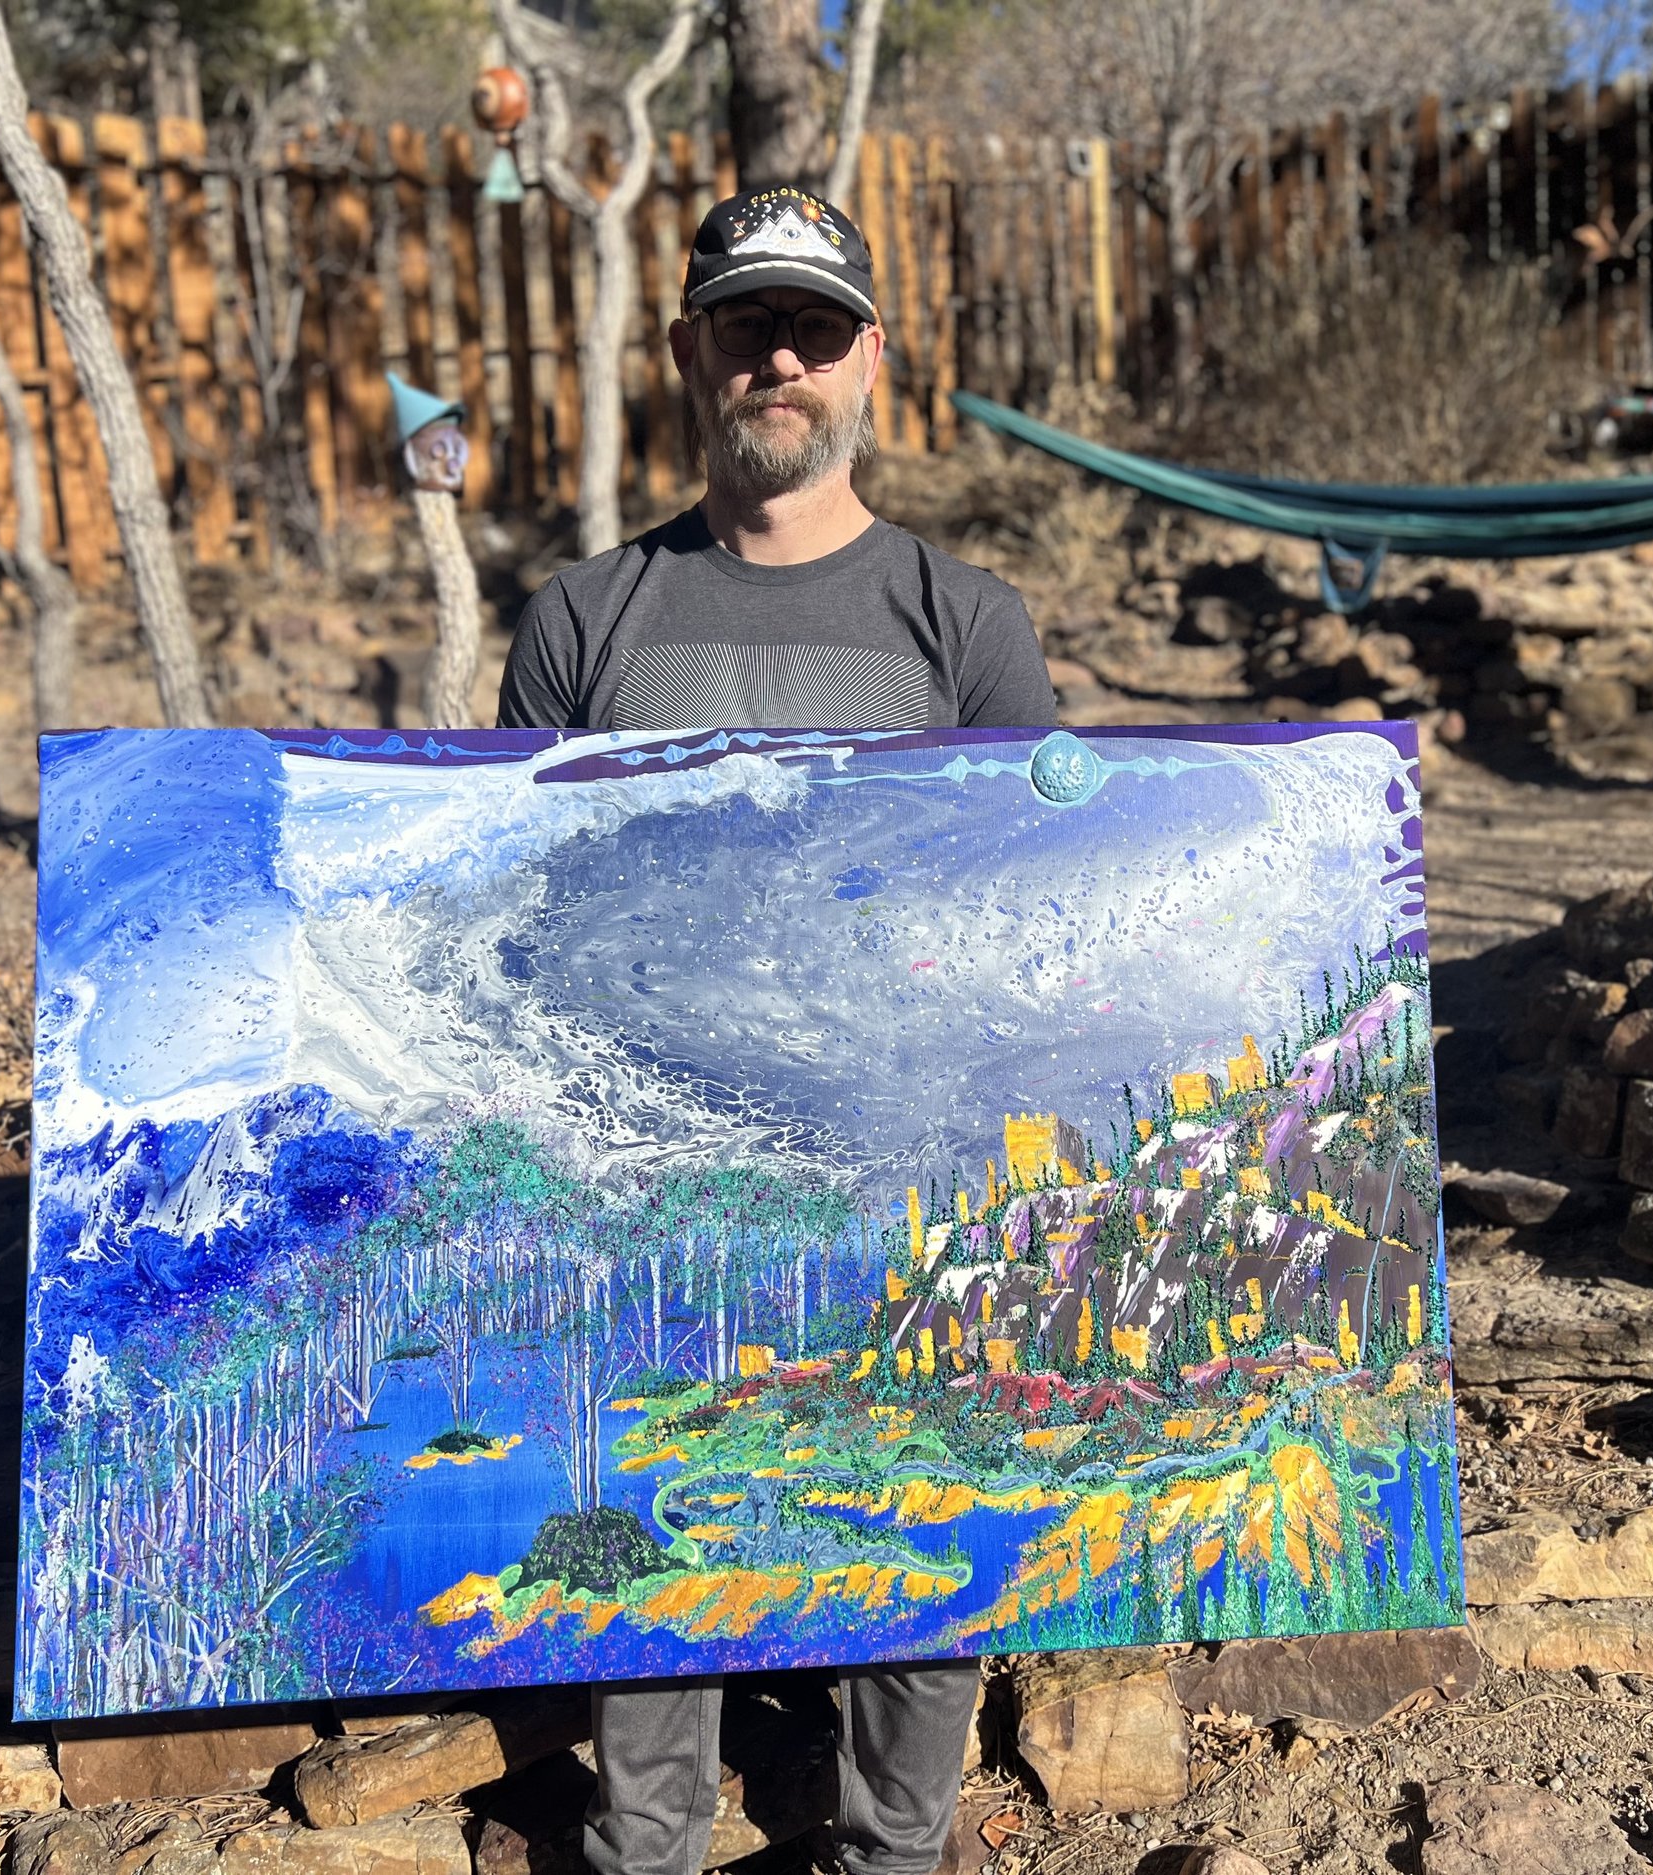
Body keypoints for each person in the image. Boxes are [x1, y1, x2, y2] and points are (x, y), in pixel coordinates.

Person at [496, 184, 1056, 1875]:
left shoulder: (966, 622)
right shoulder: (584, 618)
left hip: (904, 1164)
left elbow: (1021, 912)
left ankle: (892, 1850)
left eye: (814, 328)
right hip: (644, 1167)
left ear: (871, 355)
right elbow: (519, 903)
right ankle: (646, 1844)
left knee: (921, 1491)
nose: (782, 362)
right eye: (751, 327)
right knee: (647, 1481)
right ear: (693, 354)